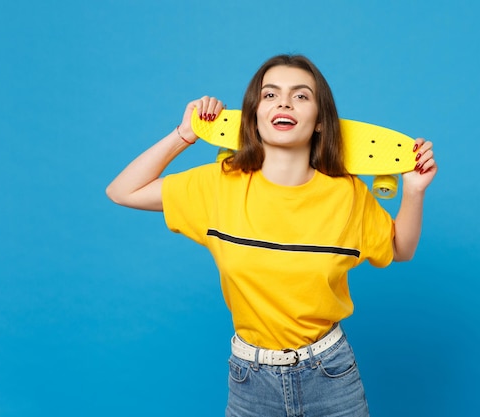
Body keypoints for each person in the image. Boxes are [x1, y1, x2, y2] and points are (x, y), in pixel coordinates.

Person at [106, 54, 437, 416]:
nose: (283, 102)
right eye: (270, 95)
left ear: (321, 122)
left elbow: (399, 248)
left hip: (331, 376)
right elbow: (123, 191)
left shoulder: (348, 194)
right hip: (251, 381)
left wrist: (415, 191)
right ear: (254, 115)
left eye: (301, 96)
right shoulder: (219, 185)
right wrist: (184, 135)